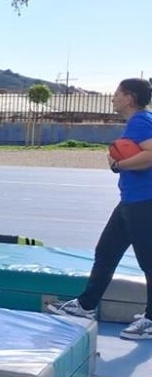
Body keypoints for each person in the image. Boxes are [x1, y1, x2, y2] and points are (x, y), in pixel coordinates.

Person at [49, 77, 152, 341]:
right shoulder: (140, 121)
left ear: (129, 97)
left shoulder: (141, 121)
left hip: (144, 202)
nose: (113, 98)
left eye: (117, 93)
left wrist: (119, 164)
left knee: (149, 262)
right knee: (106, 251)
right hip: (130, 201)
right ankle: (85, 306)